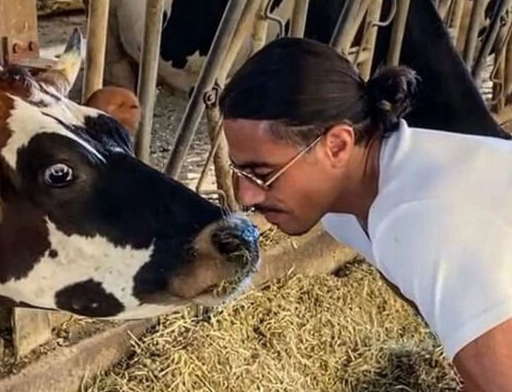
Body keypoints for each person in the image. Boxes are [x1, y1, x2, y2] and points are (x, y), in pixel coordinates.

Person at [218, 37, 512, 391]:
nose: (246, 196)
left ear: (337, 145)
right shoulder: (348, 207)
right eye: (240, 173)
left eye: (263, 173)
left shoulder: (418, 219)